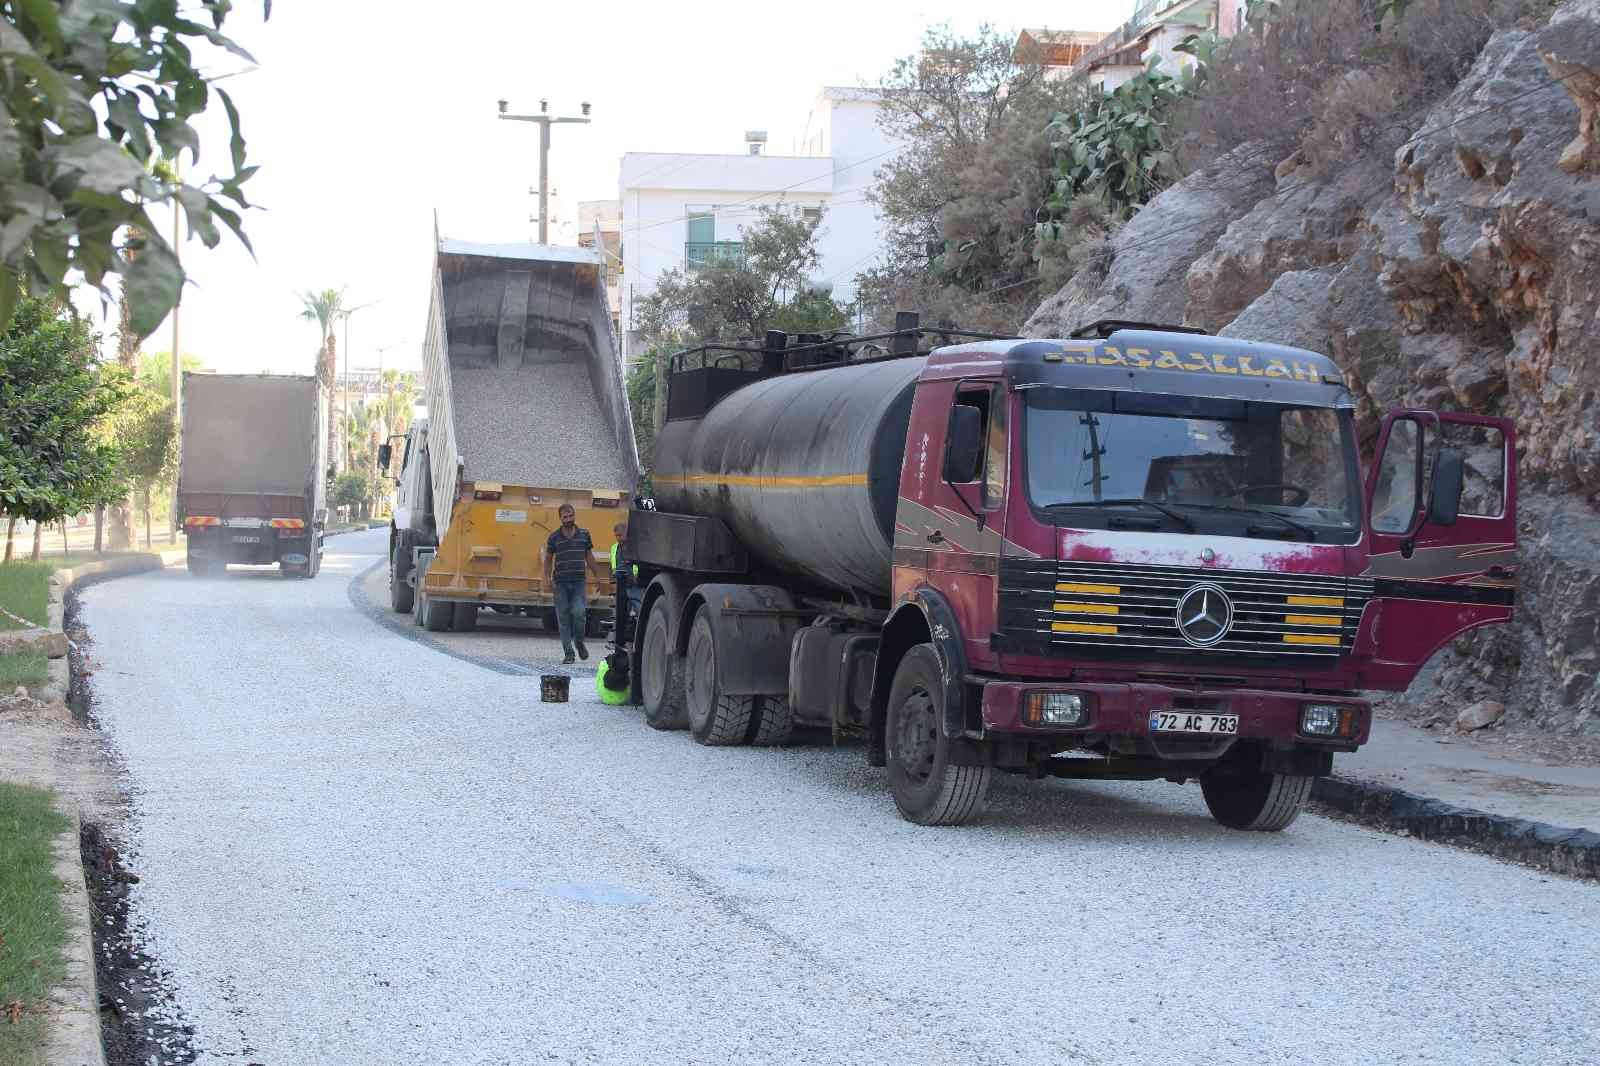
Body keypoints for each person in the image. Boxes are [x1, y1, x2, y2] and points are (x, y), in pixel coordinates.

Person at [544, 504, 592, 664]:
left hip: (579, 582)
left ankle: (579, 642)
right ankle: (569, 653)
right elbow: (548, 559)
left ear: (574, 515)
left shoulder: (584, 535)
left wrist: (599, 577)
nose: (568, 519)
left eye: (571, 516)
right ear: (560, 518)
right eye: (565, 517)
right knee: (563, 618)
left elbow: (589, 557)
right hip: (560, 584)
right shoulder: (553, 538)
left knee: (579, 614)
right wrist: (547, 578)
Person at [610, 521, 642, 644]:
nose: (618, 538)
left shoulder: (634, 547)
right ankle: (622, 639)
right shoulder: (614, 547)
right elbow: (613, 562)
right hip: (620, 581)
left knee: (638, 608)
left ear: (627, 534)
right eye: (616, 535)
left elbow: (637, 564)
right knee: (622, 612)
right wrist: (613, 574)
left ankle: (636, 633)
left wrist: (635, 576)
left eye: (620, 535)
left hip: (632, 582)